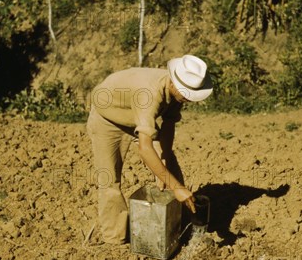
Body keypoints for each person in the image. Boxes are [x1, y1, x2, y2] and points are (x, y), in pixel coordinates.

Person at [86, 55, 213, 244]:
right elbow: (145, 149)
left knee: (170, 165)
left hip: (138, 115)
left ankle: (180, 223)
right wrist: (176, 187)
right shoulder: (149, 94)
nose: (188, 98)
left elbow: (169, 123)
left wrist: (165, 156)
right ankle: (114, 238)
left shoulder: (177, 91)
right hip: (108, 118)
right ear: (173, 81)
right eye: (186, 93)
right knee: (109, 178)